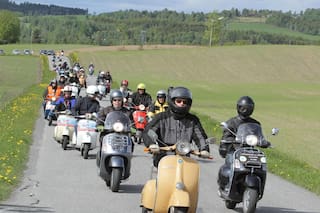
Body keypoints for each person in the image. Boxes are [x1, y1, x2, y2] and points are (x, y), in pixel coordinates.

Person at [142, 86, 210, 167]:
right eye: (179, 101)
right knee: (160, 178)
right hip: (163, 157)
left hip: (184, 159)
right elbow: (149, 131)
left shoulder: (193, 120)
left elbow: (200, 136)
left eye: (185, 102)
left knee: (192, 177)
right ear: (172, 101)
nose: (182, 104)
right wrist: (151, 144)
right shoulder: (161, 117)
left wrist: (204, 149)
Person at [217, 96, 271, 191]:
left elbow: (260, 136)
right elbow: (226, 136)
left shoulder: (255, 123)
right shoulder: (231, 122)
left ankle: (258, 185)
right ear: (238, 108)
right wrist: (230, 140)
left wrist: (264, 142)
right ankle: (226, 186)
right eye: (243, 108)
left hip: (250, 151)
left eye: (248, 108)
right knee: (230, 164)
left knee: (259, 166)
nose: (245, 110)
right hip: (235, 150)